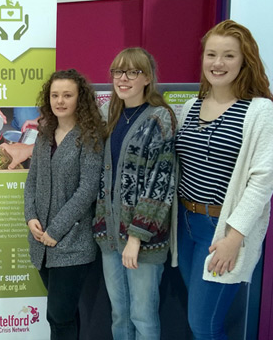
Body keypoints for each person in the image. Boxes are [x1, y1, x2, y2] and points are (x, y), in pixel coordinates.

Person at [172, 20, 273, 340]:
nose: (217, 63)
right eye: (211, 54)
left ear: (244, 61)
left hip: (221, 228)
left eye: (228, 56)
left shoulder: (260, 112)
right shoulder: (191, 107)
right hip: (187, 223)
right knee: (198, 319)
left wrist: (234, 237)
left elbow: (262, 181)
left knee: (204, 325)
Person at [92, 48, 177, 339]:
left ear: (147, 78)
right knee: (119, 315)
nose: (123, 78)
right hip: (110, 236)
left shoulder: (160, 118)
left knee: (143, 316)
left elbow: (160, 183)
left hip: (143, 241)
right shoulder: (111, 117)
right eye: (117, 71)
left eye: (132, 72)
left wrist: (137, 237)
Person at [24, 69, 105, 339]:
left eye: (67, 95)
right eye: (55, 95)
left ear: (79, 99)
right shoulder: (44, 134)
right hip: (41, 242)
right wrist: (30, 217)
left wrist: (54, 231)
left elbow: (88, 190)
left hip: (73, 243)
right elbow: (32, 180)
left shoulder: (90, 136)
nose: (60, 101)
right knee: (64, 315)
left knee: (58, 315)